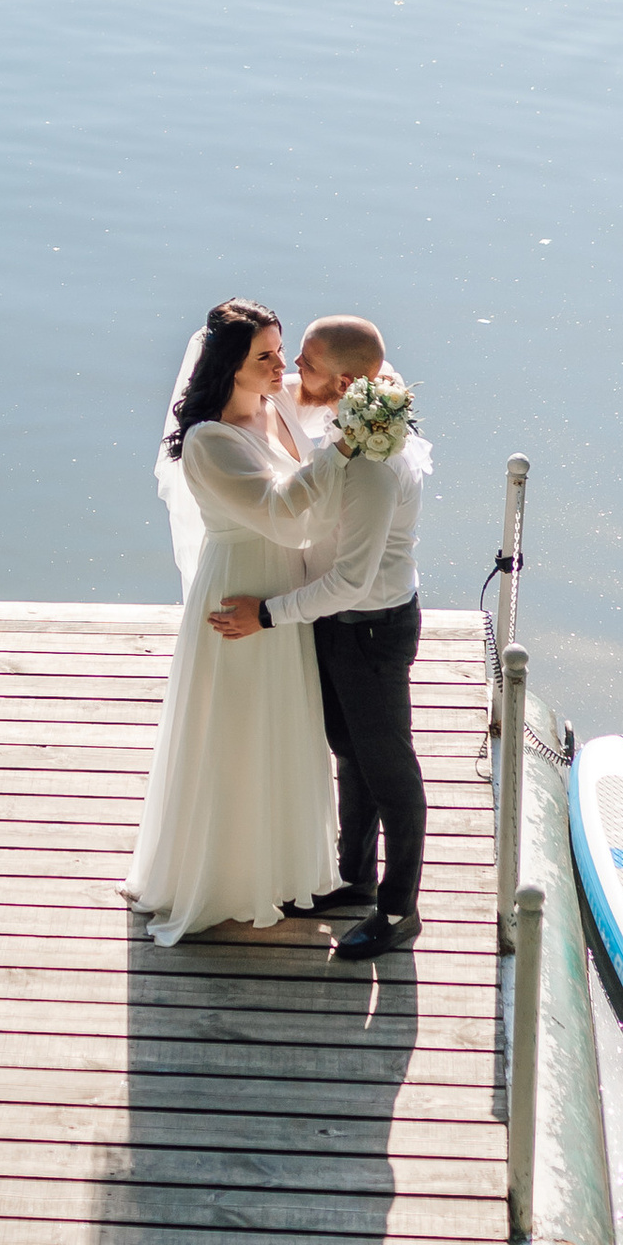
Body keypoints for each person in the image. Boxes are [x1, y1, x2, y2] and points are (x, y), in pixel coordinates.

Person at [209, 314, 428, 964]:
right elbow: (301, 492)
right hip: (338, 622)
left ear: (345, 379)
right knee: (350, 754)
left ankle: (398, 909)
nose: (291, 371)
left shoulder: (374, 463)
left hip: (371, 626)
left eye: (302, 361)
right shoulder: (348, 437)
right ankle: (354, 878)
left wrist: (268, 613)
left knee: (390, 770)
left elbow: (354, 580)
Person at [123, 299, 339, 944]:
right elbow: (286, 517)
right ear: (230, 366)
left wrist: (366, 403)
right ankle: (221, 875)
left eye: (280, 350)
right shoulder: (210, 440)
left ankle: (280, 867)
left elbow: (342, 384)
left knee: (284, 721)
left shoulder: (277, 399)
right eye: (265, 356)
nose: (282, 366)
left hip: (283, 593)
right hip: (241, 592)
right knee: (235, 725)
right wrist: (344, 452)